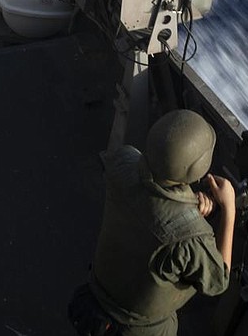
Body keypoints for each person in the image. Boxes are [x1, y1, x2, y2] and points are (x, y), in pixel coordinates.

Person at [71, 109, 236, 336]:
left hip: (96, 294)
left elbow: (149, 199)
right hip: (139, 328)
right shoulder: (190, 238)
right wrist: (229, 208)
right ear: (198, 167)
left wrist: (186, 207)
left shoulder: (121, 162)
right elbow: (219, 280)